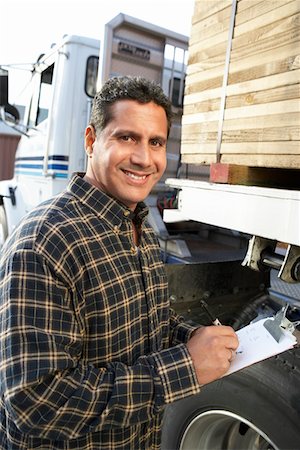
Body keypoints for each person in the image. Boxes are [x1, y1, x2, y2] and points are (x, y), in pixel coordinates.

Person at [0, 76, 238, 449]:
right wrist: (185, 367)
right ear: (92, 140)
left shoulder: (137, 224)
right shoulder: (46, 243)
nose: (145, 158)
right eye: (127, 137)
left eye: (155, 142)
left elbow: (140, 325)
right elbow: (37, 403)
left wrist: (193, 339)